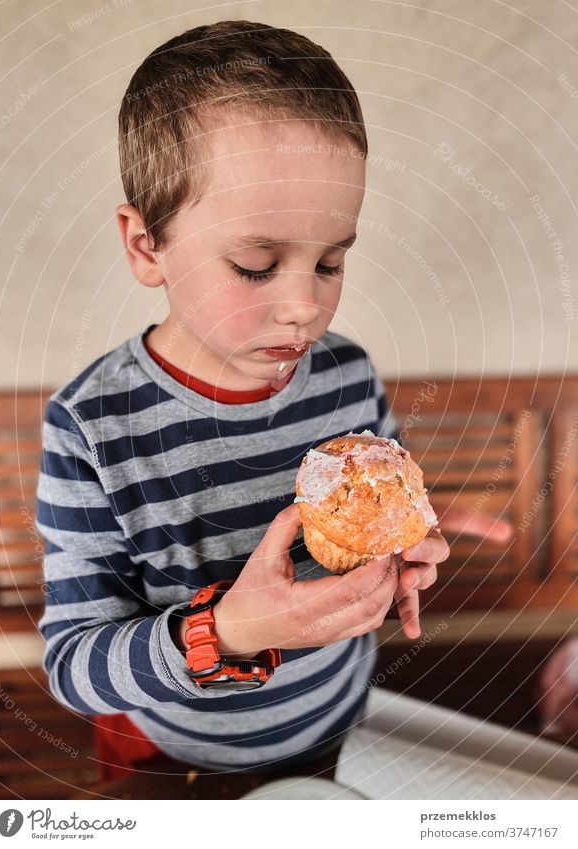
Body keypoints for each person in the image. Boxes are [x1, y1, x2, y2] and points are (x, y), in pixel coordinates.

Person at [35, 20, 508, 779]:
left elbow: (370, 525)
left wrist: (404, 535)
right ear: (145, 245)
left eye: (330, 261)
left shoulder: (347, 375)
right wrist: (225, 628)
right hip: (174, 764)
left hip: (339, 737)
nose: (304, 307)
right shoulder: (91, 427)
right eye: (257, 265)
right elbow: (73, 667)